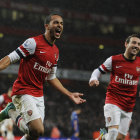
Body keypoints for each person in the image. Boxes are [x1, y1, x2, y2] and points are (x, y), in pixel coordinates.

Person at [0, 13, 86, 140]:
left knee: (33, 136)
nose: (60, 25)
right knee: (38, 130)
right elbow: (9, 58)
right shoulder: (33, 43)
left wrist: (69, 94)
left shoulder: (55, 52)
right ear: (47, 26)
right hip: (23, 91)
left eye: (61, 23)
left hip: (38, 95)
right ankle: (11, 112)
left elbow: (51, 77)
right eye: (56, 22)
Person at [89, 34, 140, 140]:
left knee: (120, 138)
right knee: (113, 133)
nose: (136, 46)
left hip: (128, 106)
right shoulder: (114, 60)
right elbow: (98, 71)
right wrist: (93, 78)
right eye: (134, 43)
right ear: (126, 44)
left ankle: (102, 137)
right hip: (113, 102)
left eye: (139, 44)